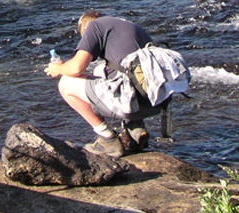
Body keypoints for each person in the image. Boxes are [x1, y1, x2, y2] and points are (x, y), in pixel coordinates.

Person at [44, 10, 163, 157]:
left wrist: (58, 68)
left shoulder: (94, 26)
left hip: (133, 103)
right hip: (157, 102)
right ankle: (135, 128)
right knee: (102, 69)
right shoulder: (130, 27)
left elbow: (76, 68)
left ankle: (108, 139)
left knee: (66, 83)